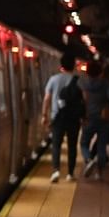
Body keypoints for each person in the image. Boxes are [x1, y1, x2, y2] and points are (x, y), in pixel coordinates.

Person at [40, 54, 84, 183]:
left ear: (61, 65)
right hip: (73, 118)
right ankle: (70, 173)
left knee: (56, 145)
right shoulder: (78, 80)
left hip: (57, 117)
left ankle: (56, 171)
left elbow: (47, 98)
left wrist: (44, 115)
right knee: (72, 145)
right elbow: (84, 99)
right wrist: (83, 115)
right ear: (73, 66)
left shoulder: (53, 79)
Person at [79, 59, 109, 179]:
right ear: (100, 71)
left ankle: (89, 159)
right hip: (103, 118)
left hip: (88, 117)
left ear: (87, 71)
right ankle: (99, 173)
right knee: (101, 145)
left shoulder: (82, 83)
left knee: (84, 143)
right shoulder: (105, 83)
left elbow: (80, 100)